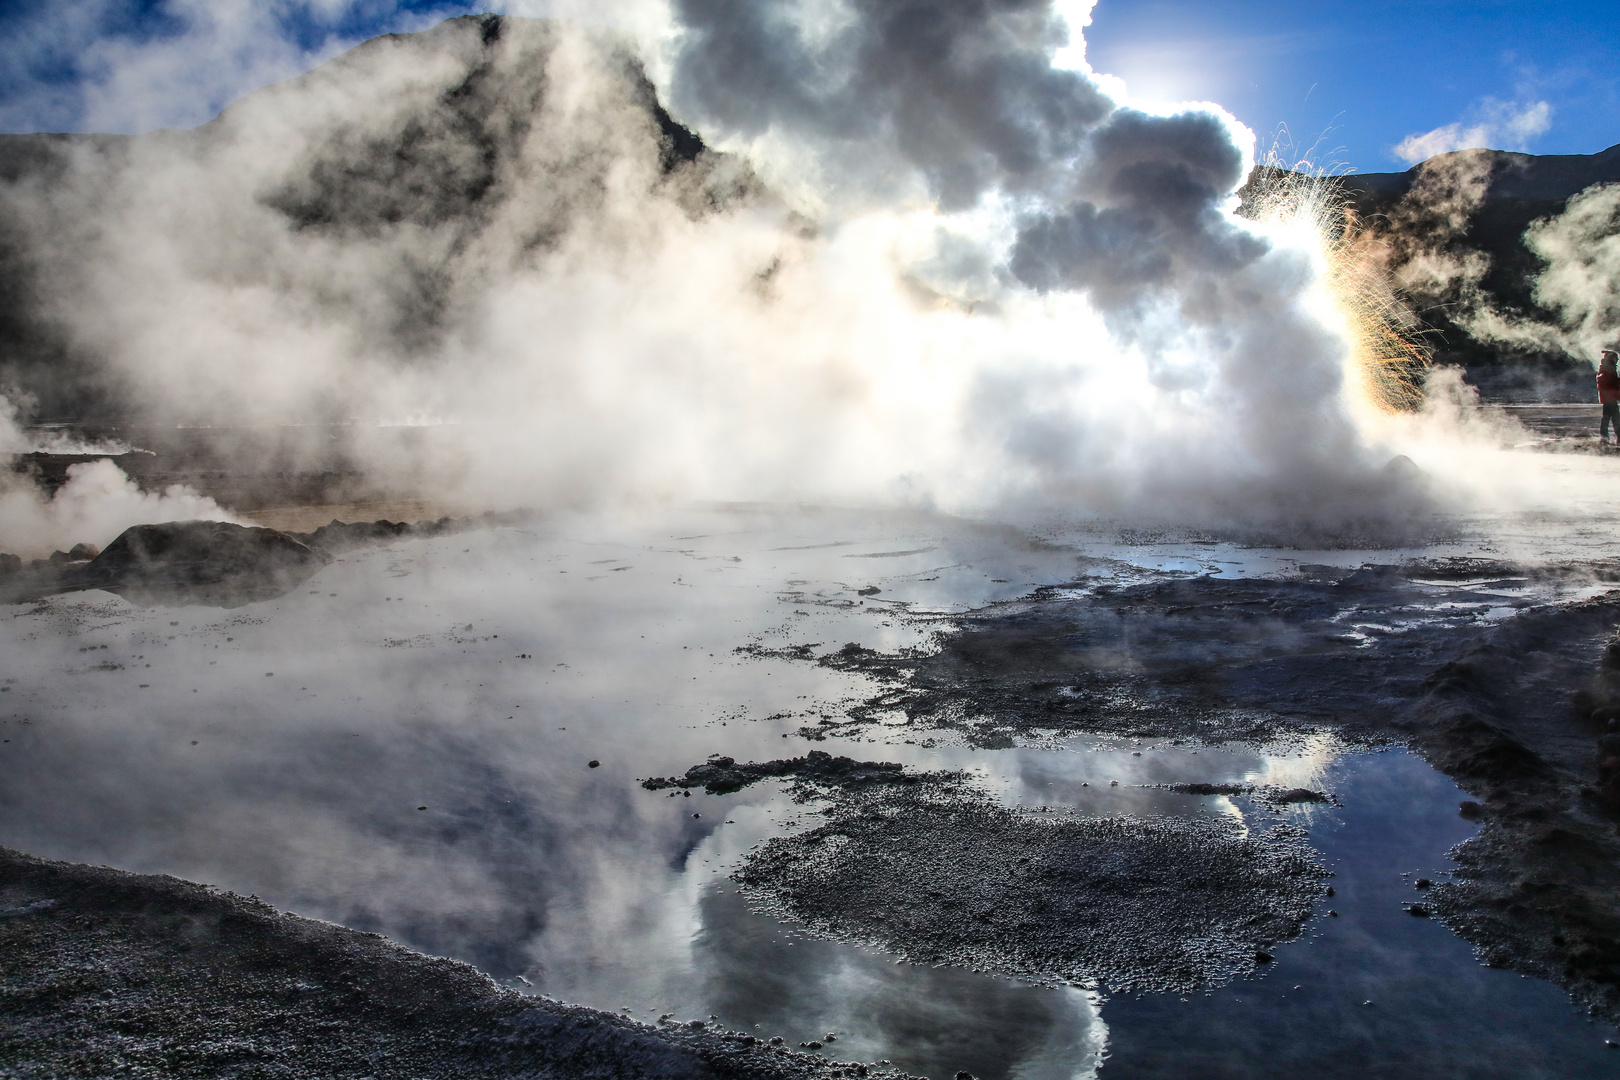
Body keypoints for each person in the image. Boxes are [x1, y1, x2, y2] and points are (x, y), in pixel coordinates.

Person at [1600, 350, 1620, 445]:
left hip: (1607, 397)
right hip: (1610, 397)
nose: (1617, 360)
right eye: (1616, 358)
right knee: (1615, 418)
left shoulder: (1605, 369)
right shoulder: (1609, 370)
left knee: (1607, 418)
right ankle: (1617, 437)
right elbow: (1612, 383)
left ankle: (1604, 438)